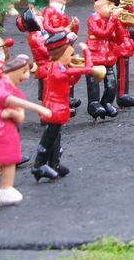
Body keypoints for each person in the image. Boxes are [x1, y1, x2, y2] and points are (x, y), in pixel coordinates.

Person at [0, 55, 50, 211]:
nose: (26, 77)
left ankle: (6, 188)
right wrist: (38, 108)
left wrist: (13, 115)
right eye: (24, 72)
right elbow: (6, 99)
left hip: (10, 131)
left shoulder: (16, 92)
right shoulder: (2, 86)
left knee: (10, 159)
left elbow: (20, 117)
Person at [33, 31, 94, 182]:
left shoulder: (59, 67)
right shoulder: (58, 69)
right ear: (61, 54)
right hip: (54, 108)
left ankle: (54, 163)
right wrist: (86, 51)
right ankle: (39, 165)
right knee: (49, 138)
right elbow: (88, 69)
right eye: (70, 54)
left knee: (55, 137)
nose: (72, 56)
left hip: (57, 107)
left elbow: (70, 81)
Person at [84, 0, 128, 119]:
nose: (112, 8)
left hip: (107, 56)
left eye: (114, 5)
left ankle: (107, 102)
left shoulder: (111, 20)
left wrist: (118, 22)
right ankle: (94, 104)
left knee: (111, 84)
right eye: (108, 4)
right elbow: (103, 34)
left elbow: (119, 40)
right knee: (93, 83)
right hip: (94, 55)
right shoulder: (93, 19)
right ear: (97, 5)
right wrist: (114, 19)